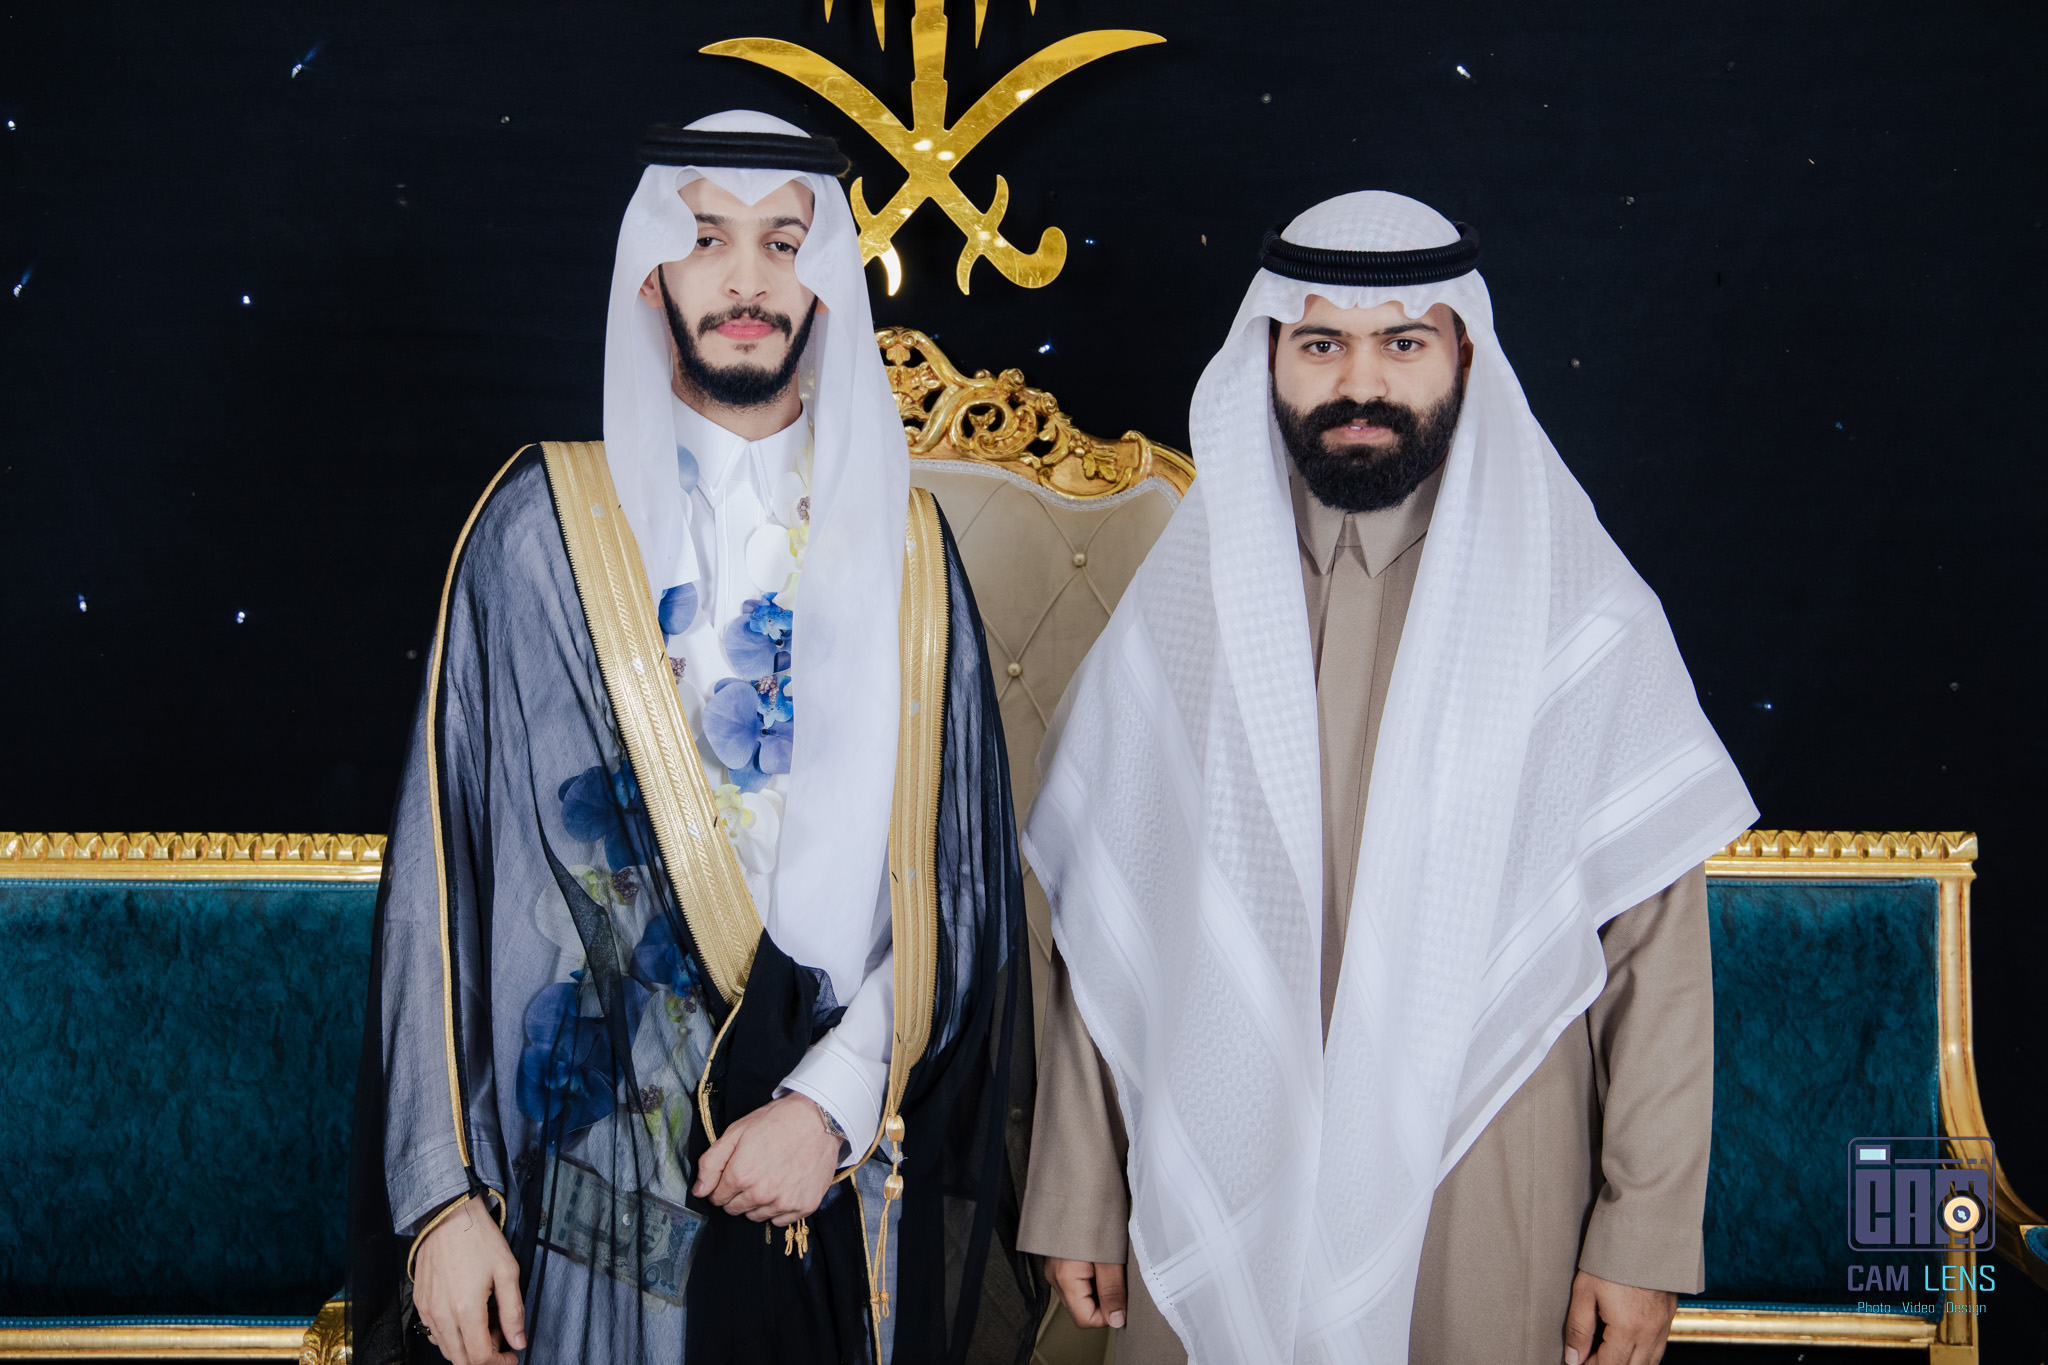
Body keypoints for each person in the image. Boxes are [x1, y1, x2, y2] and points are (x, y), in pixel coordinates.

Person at [345, 112, 1040, 1365]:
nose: (745, 278)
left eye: (783, 242)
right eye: (707, 237)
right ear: (649, 276)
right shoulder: (537, 531)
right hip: (582, 1205)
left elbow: (958, 897)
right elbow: (442, 887)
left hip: (824, 1191)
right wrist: (443, 1202)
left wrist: (829, 1106)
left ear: (825, 286)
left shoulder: (908, 556)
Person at [1017, 192, 1756, 1364]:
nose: (1358, 382)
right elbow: (1105, 919)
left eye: (1400, 343)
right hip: (1219, 1138)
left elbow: (1654, 962)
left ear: (1461, 355)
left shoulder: (1575, 617)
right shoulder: (1183, 611)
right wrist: (1076, 1190)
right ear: (1269, 357)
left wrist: (1642, 1233)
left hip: (1485, 1162)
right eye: (1320, 343)